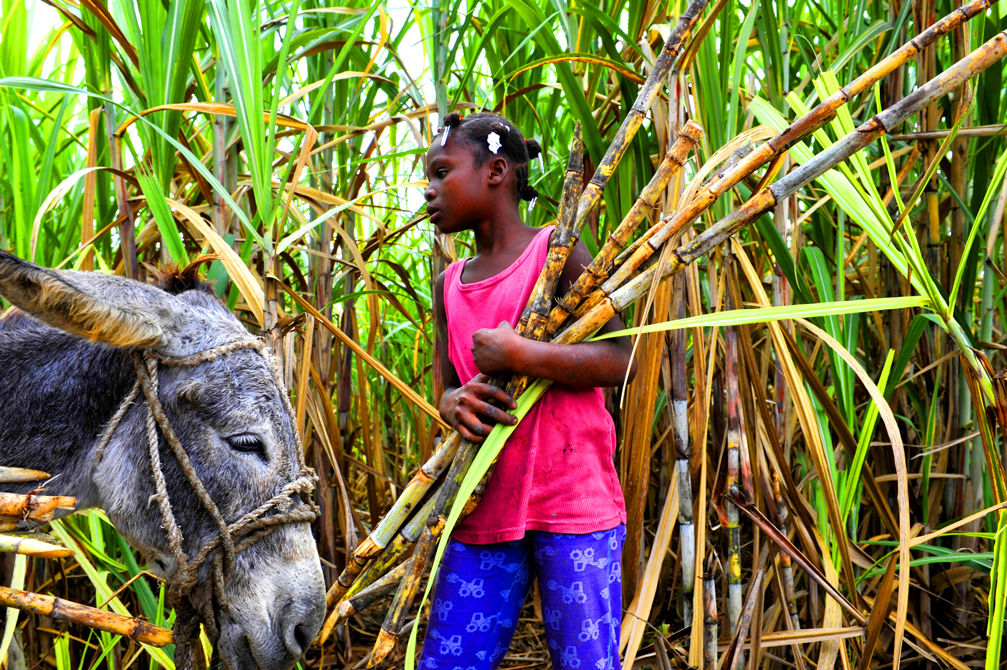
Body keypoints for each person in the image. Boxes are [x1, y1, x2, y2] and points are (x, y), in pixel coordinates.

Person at [420, 111, 637, 670]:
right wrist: (452, 403)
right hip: (482, 509)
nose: (429, 188)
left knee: (586, 661)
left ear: (495, 172)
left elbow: (623, 358)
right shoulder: (449, 285)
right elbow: (445, 389)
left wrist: (526, 355)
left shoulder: (557, 253)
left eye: (442, 172)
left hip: (573, 507)